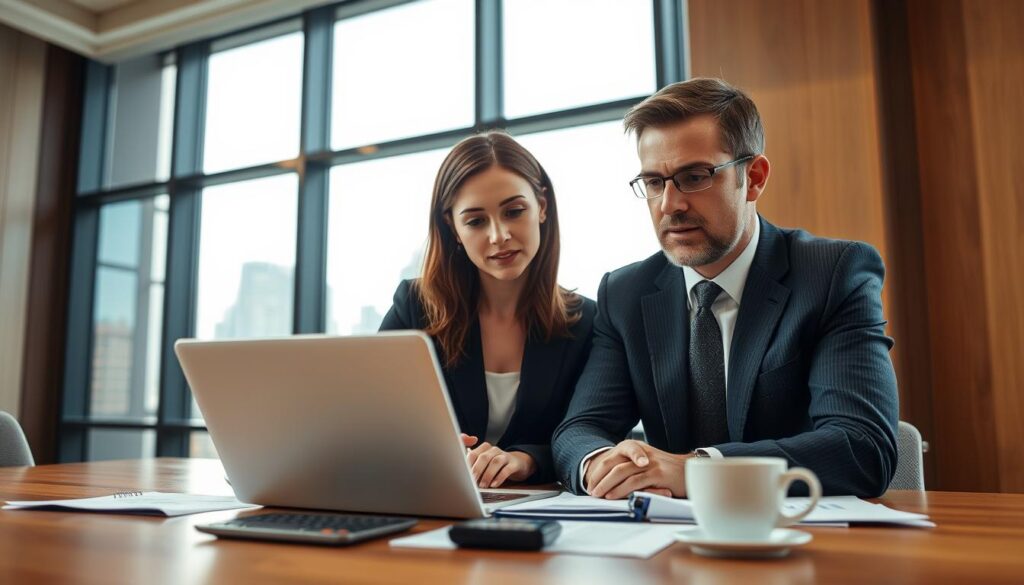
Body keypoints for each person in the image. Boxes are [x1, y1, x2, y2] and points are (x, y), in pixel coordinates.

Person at [552, 78, 899, 499]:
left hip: (800, 540)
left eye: (694, 177)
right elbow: (580, 429)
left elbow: (862, 447)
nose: (669, 205)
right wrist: (599, 465)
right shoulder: (624, 293)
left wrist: (699, 471)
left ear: (753, 178)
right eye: (655, 182)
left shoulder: (831, 275)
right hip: (665, 545)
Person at [380, 131, 596, 488]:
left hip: (542, 510)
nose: (499, 236)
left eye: (514, 211)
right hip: (435, 499)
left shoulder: (587, 322)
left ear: (542, 206)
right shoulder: (414, 308)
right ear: (452, 226)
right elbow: (373, 419)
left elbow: (591, 429)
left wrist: (525, 460)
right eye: (476, 221)